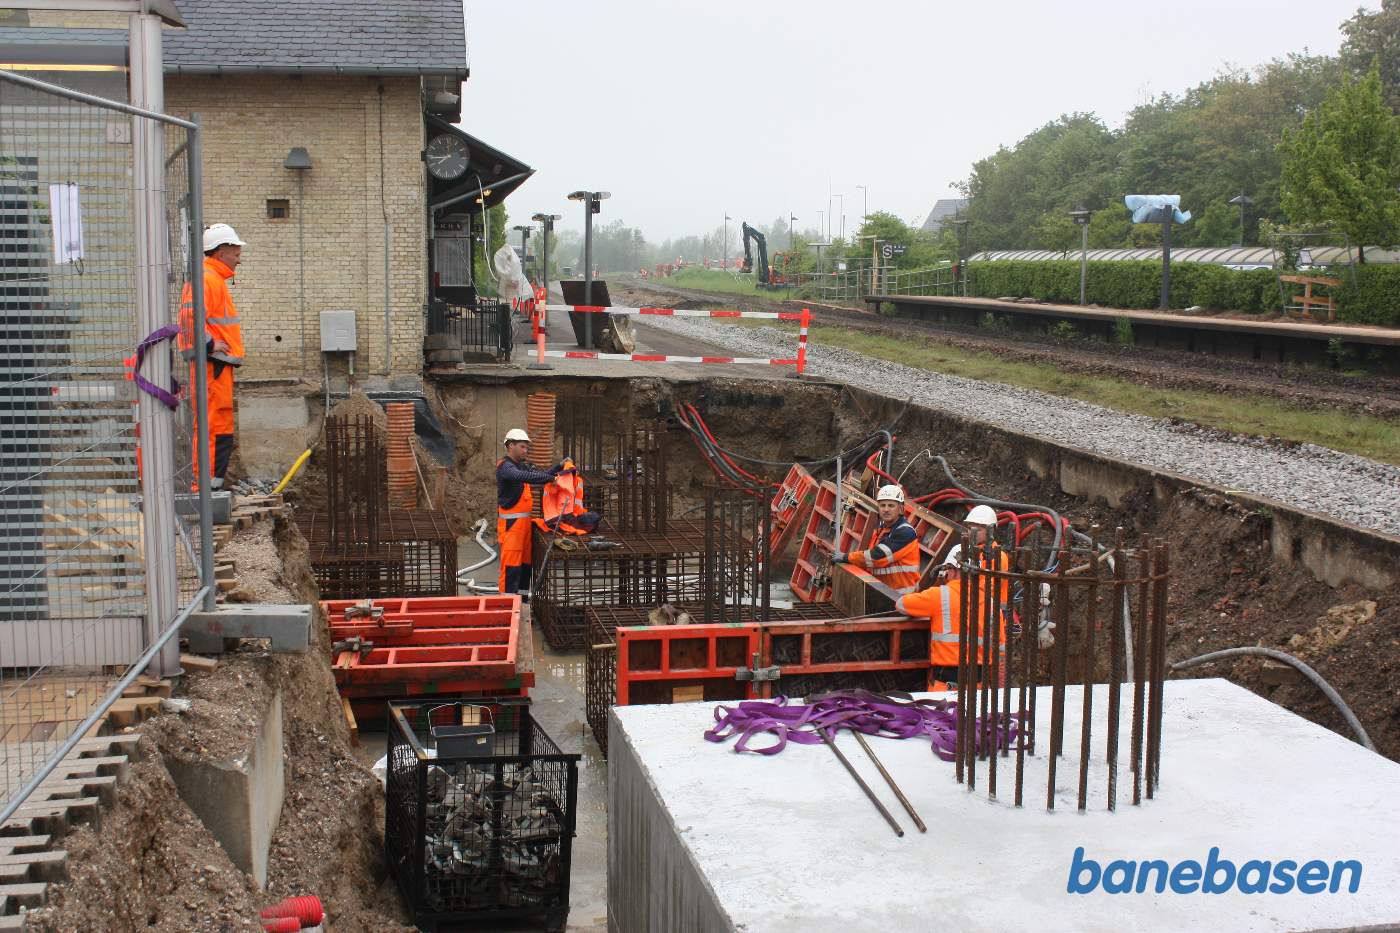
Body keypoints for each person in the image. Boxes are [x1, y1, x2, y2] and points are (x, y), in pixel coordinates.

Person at [178, 223, 246, 490]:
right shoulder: (206, 278)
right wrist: (209, 344)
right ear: (221, 251)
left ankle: (211, 487)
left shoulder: (212, 278)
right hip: (211, 367)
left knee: (220, 425)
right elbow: (189, 319)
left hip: (217, 367)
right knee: (211, 426)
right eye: (235, 250)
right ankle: (204, 490)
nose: (240, 255)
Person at [496, 428, 566, 596]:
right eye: (522, 446)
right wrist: (551, 479)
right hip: (511, 528)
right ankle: (507, 604)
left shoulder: (521, 466)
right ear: (510, 445)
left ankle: (522, 602)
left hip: (524, 527)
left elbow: (539, 475)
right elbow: (525, 477)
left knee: (525, 565)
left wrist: (558, 468)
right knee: (511, 566)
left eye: (526, 447)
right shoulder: (505, 467)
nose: (525, 450)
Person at [831, 484, 920, 594]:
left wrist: (846, 557)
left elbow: (875, 557)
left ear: (901, 509)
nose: (886, 509)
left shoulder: (905, 533)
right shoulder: (882, 530)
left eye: (891, 506)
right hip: (885, 592)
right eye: (882, 505)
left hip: (900, 596)